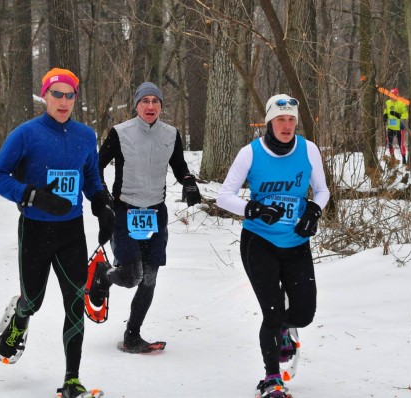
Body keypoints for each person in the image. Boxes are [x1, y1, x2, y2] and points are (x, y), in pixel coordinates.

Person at [0, 67, 114, 398]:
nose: (63, 101)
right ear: (44, 96)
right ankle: (20, 316)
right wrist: (33, 196)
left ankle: (72, 378)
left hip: (71, 231)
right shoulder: (27, 134)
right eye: (56, 94)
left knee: (75, 301)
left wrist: (101, 203)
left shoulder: (85, 136)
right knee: (35, 300)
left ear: (75, 98)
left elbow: (90, 177)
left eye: (69, 94)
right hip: (35, 230)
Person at [217, 94, 330, 398]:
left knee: (304, 314)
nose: (287, 125)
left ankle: (285, 329)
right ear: (269, 122)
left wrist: (313, 212)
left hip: (296, 243)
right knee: (272, 313)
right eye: (280, 119)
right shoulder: (250, 153)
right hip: (259, 242)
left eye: (291, 119)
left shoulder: (308, 150)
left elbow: (321, 191)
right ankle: (271, 379)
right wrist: (253, 209)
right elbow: (223, 196)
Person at [89, 82, 201, 352]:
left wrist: (188, 182)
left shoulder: (171, 134)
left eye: (155, 101)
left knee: (149, 278)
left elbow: (179, 166)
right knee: (131, 276)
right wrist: (103, 198)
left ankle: (132, 335)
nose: (150, 106)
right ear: (136, 105)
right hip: (125, 210)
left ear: (161, 105)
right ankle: (103, 276)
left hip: (156, 213)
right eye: (145, 101)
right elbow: (96, 166)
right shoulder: (120, 132)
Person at [383, 87, 409, 165]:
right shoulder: (388, 102)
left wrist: (399, 115)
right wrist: (385, 115)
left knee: (401, 144)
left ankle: (404, 158)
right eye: (390, 95)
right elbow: (386, 110)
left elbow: (406, 114)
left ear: (397, 95)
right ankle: (392, 157)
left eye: (393, 95)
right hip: (390, 126)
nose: (391, 97)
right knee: (389, 143)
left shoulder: (402, 103)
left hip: (399, 127)